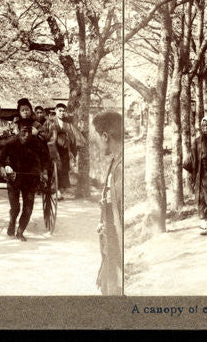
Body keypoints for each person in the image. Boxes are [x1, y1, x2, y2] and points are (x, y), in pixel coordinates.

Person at [0, 117, 55, 241]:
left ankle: (20, 231)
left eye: (28, 131)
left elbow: (46, 160)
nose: (26, 135)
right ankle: (12, 222)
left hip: (30, 180)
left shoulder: (37, 143)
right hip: (14, 179)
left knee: (28, 208)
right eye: (23, 132)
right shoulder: (11, 142)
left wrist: (44, 172)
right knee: (15, 207)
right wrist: (3, 170)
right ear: (18, 130)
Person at [92, 111, 124, 295]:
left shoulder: (121, 166)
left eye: (97, 136)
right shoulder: (115, 161)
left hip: (117, 246)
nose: (96, 143)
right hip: (110, 240)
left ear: (105, 136)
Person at [46, 103, 76, 198]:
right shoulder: (50, 121)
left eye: (64, 111)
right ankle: (55, 190)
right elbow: (45, 134)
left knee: (64, 168)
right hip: (53, 148)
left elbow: (72, 135)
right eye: (60, 111)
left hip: (64, 149)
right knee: (55, 168)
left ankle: (61, 189)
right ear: (55, 110)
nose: (62, 113)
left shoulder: (67, 122)